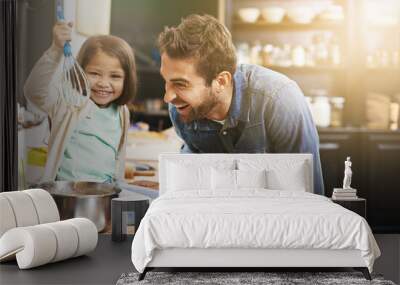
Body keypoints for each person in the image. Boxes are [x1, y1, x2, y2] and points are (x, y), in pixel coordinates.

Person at [157, 14, 325, 195]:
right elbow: (196, 180)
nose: (168, 97)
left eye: (181, 84)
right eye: (166, 81)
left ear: (220, 81)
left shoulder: (279, 100)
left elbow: (309, 194)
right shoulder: (181, 110)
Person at [24, 21, 137, 183]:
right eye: (95, 73)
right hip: (65, 196)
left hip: (103, 195)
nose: (104, 83)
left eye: (115, 76)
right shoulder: (70, 103)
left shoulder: (122, 112)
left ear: (127, 80)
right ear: (79, 70)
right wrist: (56, 49)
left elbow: (118, 160)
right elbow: (34, 90)